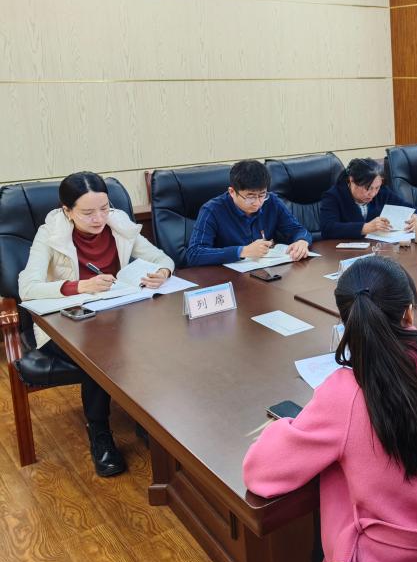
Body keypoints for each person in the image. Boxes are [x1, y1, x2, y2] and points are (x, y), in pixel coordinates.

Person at [243, 256, 417, 562]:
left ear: (349, 321)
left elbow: (261, 473)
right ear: (408, 311)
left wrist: (283, 427)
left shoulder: (344, 394)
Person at [18, 171, 175, 476]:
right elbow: (28, 287)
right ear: (67, 211)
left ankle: (148, 419)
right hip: (66, 321)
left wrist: (163, 273)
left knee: (156, 336)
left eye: (104, 208)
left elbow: (161, 258)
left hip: (116, 316)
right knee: (101, 352)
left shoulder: (118, 224)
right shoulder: (49, 234)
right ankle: (100, 432)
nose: (99, 218)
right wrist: (80, 286)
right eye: (88, 212)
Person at [185, 159, 312, 266]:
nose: (257, 203)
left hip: (266, 272)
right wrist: (242, 251)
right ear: (232, 192)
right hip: (228, 277)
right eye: (250, 197)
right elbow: (194, 254)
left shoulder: (271, 201)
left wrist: (302, 241)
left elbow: (298, 230)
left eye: (262, 195)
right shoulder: (212, 210)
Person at [320, 158, 417, 239]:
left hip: (376, 248)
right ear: (352, 180)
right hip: (343, 252)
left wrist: (416, 217)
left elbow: (411, 208)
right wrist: (365, 227)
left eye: (377, 187)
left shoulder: (382, 192)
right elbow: (327, 229)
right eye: (368, 188)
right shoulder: (334, 196)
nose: (373, 193)